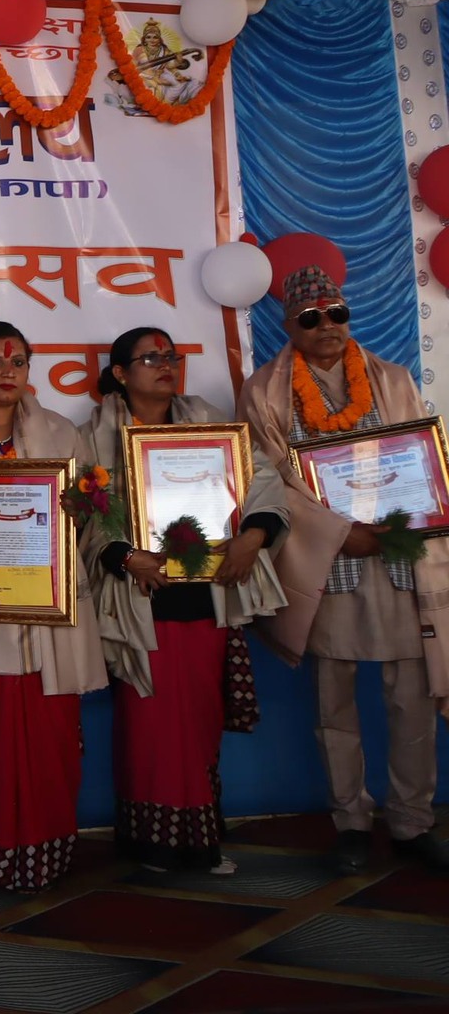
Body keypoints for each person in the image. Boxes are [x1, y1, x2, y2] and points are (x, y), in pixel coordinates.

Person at [239, 267, 449, 873]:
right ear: (289, 325)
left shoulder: (392, 378)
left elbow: (421, 459)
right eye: (311, 318)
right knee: (334, 706)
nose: (327, 327)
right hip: (329, 563)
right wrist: (339, 534)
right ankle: (351, 822)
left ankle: (412, 821)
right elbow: (270, 479)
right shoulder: (265, 391)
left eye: (337, 314)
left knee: (412, 700)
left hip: (400, 557)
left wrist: (409, 519)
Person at [78, 327, 288, 876]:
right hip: (141, 599)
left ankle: (200, 841)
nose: (165, 365)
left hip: (208, 594)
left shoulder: (207, 420)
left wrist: (253, 535)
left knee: (197, 723)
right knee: (149, 728)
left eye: (170, 355)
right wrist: (127, 557)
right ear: (120, 373)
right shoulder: (93, 437)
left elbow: (261, 478)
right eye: (150, 358)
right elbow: (86, 517)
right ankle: (151, 844)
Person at [0, 320, 107, 892]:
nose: (7, 373)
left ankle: (50, 856)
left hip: (50, 611)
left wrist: (78, 515)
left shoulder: (61, 433)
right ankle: (2, 858)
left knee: (54, 740)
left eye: (17, 363)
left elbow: (90, 521)